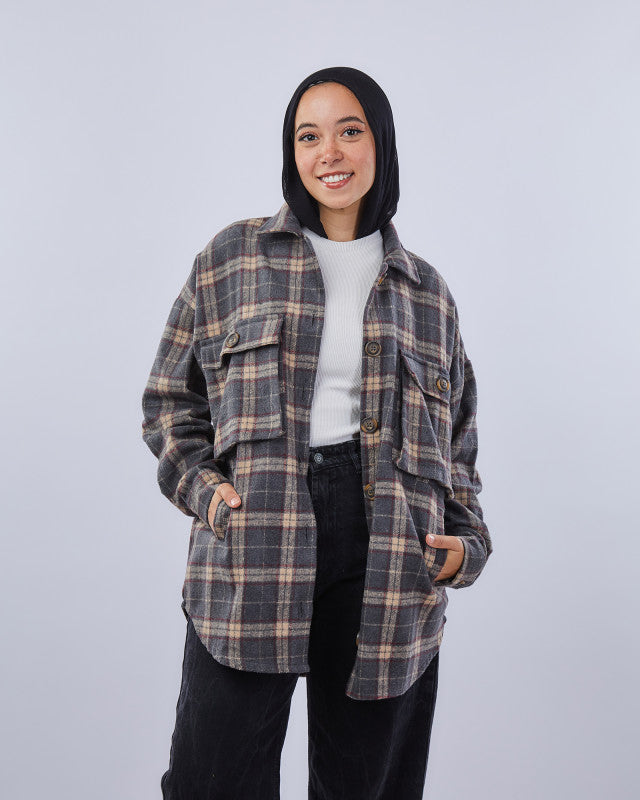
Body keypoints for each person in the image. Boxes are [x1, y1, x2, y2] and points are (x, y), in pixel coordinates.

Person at [141, 65, 492, 800]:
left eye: (349, 131)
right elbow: (170, 402)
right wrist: (208, 495)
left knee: (367, 785)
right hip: (256, 534)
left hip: (390, 552)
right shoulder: (231, 259)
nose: (328, 152)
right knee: (214, 779)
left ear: (380, 143)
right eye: (308, 136)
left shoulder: (429, 295)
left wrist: (466, 543)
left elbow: (458, 440)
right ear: (291, 151)